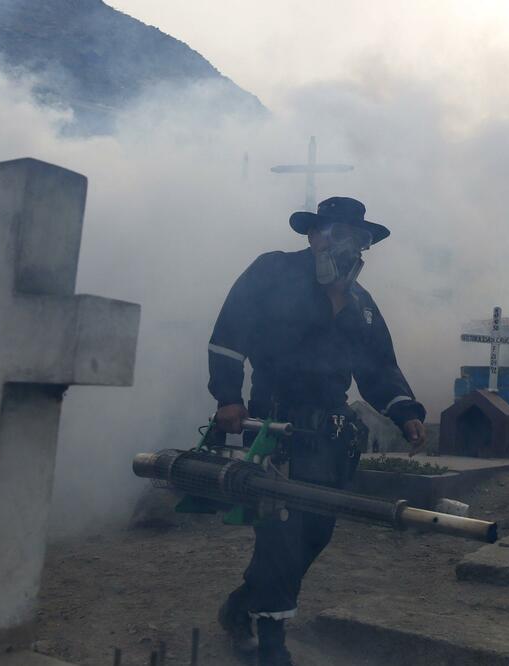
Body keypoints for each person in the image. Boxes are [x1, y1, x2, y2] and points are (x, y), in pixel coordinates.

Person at [208, 196, 427, 666]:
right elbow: (229, 334)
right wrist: (228, 397)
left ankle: (243, 604)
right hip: (276, 425)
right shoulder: (272, 272)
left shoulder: (362, 305)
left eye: (359, 237)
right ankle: (270, 645)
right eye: (338, 232)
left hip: (331, 437)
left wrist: (405, 410)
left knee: (316, 534)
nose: (349, 244)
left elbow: (380, 367)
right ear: (313, 235)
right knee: (281, 531)